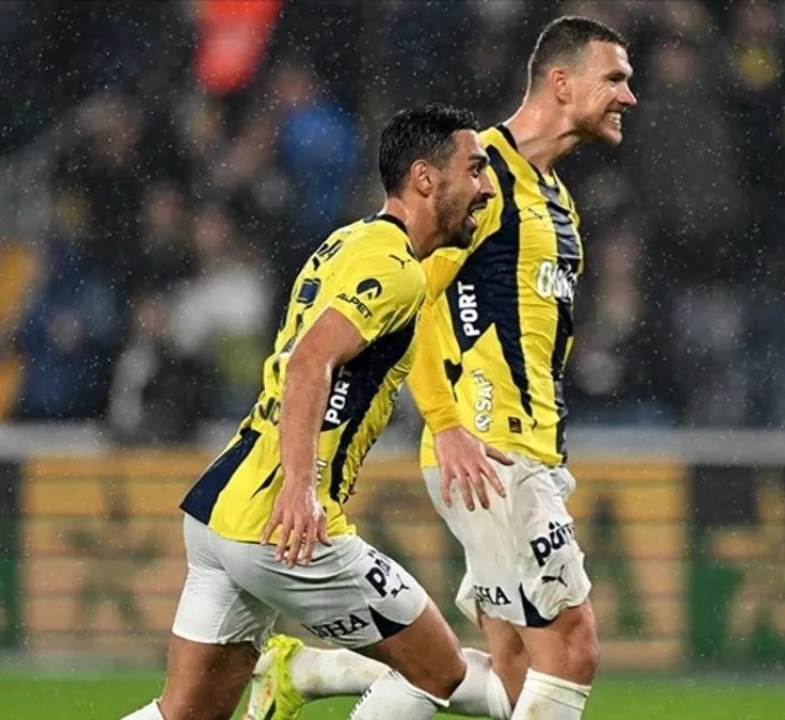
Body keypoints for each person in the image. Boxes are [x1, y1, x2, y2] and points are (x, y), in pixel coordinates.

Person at [248, 15, 637, 720]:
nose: (627, 96)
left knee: (511, 673)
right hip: (490, 450)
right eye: (614, 78)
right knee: (572, 649)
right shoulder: (479, 176)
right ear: (561, 82)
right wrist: (447, 423)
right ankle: (313, 669)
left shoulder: (556, 197)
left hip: (527, 449)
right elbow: (416, 297)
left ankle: (312, 669)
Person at [120, 102, 496, 720]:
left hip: (222, 506)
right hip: (284, 522)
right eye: (475, 170)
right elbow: (307, 363)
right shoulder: (396, 271)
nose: (486, 189)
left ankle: (298, 671)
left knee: (185, 715)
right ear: (426, 179)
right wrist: (301, 488)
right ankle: (304, 671)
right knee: (441, 671)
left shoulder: (349, 241)